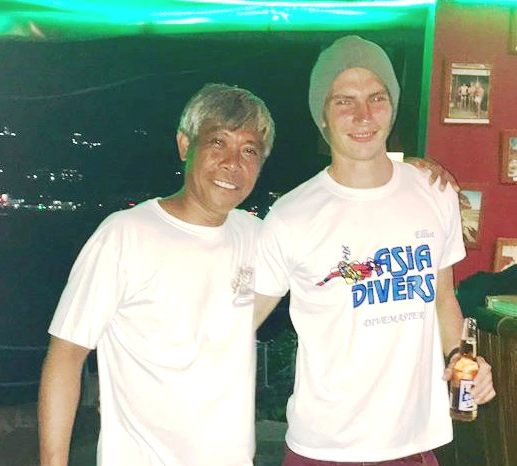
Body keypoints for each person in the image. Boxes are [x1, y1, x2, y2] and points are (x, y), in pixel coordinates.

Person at [254, 36, 495, 466]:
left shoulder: (435, 192)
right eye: (344, 101)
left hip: (414, 445)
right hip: (323, 449)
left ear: (392, 106)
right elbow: (238, 322)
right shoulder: (291, 215)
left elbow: (443, 300)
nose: (363, 115)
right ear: (322, 116)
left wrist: (463, 358)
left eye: (377, 98)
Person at [38, 83, 275, 466]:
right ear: (185, 145)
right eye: (218, 142)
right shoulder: (125, 235)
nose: (233, 162)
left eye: (249, 150)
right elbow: (66, 355)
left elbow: (332, 258)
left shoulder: (258, 237)